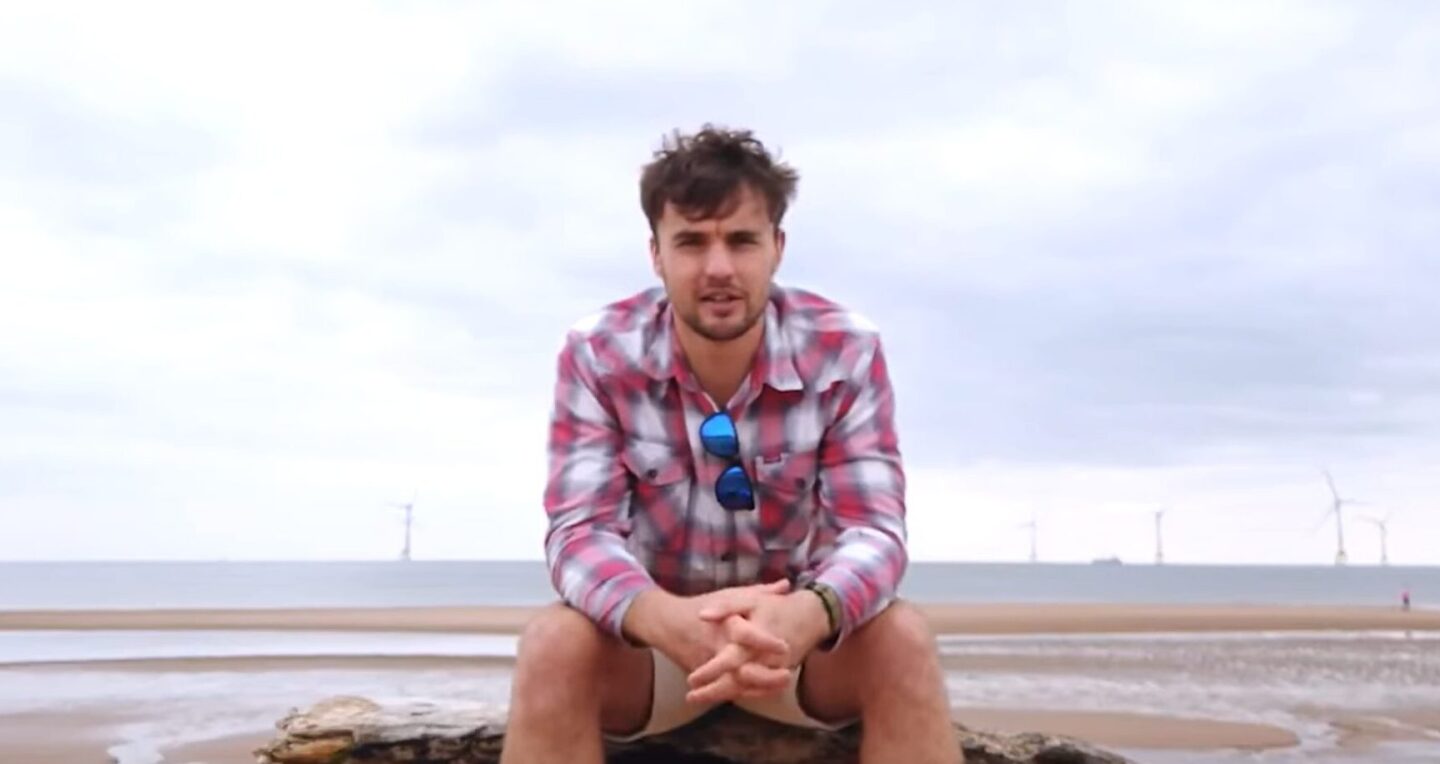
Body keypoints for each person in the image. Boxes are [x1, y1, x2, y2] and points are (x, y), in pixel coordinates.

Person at [498, 125, 959, 764]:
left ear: (777, 247)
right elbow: (579, 532)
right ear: (656, 255)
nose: (719, 268)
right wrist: (666, 619)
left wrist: (809, 613)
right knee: (553, 644)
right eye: (691, 242)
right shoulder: (598, 354)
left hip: (797, 650)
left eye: (742, 240)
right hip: (653, 650)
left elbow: (874, 531)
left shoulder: (845, 350)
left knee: (902, 636)